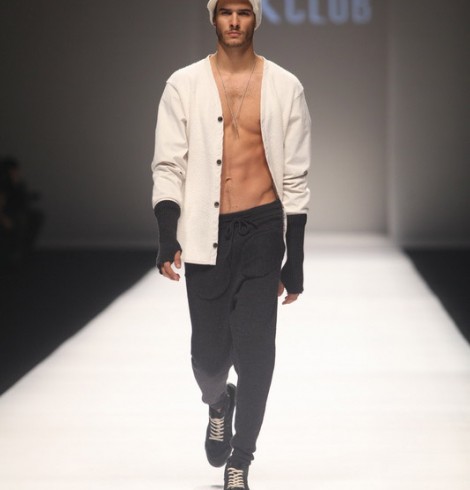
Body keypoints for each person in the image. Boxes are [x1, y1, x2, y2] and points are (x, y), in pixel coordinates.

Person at [151, 1, 310, 488]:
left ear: (256, 17)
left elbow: (295, 176)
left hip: (262, 230)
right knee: (208, 359)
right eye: (225, 11)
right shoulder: (183, 84)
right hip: (205, 232)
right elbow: (168, 165)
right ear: (213, 17)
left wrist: (295, 257)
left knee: (257, 353)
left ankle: (241, 458)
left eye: (244, 11)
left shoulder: (286, 86)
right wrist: (166, 234)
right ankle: (219, 402)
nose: (235, 20)